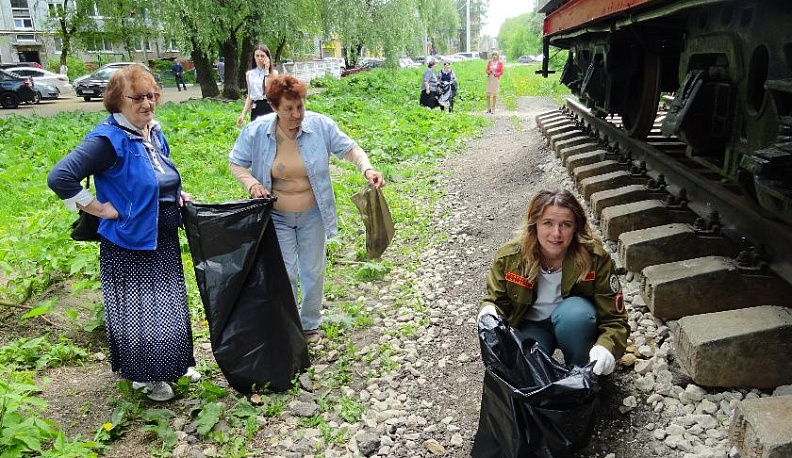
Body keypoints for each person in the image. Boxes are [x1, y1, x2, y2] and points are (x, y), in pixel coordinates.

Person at [46, 64, 198, 401]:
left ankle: (172, 362)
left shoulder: (153, 131)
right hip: (129, 242)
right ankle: (146, 377)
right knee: (140, 309)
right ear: (118, 100)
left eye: (151, 96)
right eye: (138, 98)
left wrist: (176, 194)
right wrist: (98, 208)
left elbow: (158, 176)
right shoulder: (107, 140)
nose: (147, 103)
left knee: (168, 302)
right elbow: (60, 177)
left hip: (162, 237)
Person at [229, 75, 385, 344]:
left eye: (300, 106)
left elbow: (350, 149)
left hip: (314, 213)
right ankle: (288, 325)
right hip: (277, 215)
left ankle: (310, 324)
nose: (296, 114)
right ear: (274, 106)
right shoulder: (256, 132)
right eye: (288, 109)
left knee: (313, 271)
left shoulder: (320, 126)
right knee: (286, 272)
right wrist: (253, 183)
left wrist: (367, 168)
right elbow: (236, 163)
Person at [477, 189, 629, 376]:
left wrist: (606, 347)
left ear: (576, 228)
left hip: (574, 326)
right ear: (535, 225)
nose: (556, 233)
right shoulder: (510, 258)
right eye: (548, 223)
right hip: (532, 326)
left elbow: (615, 319)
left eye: (565, 225)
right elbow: (495, 302)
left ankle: (583, 374)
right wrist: (488, 311)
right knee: (527, 372)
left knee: (576, 314)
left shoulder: (595, 259)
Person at [237, 44, 280, 126]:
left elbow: (268, 90)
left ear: (267, 57)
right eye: (257, 55)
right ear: (254, 57)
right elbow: (250, 96)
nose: (259, 58)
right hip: (256, 107)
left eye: (262, 56)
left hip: (270, 107)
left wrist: (267, 71)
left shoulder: (274, 73)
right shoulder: (250, 74)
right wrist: (243, 114)